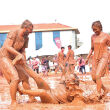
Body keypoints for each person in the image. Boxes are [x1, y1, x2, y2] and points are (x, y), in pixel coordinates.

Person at [0, 20, 50, 106]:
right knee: (15, 78)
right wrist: (18, 54)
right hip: (4, 57)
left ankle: (31, 97)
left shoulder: (26, 38)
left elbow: (23, 51)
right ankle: (13, 101)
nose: (31, 32)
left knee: (25, 77)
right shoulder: (14, 33)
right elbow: (7, 46)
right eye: (30, 30)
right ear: (25, 28)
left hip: (15, 58)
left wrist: (24, 60)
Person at [85, 21, 110, 98]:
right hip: (95, 58)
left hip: (104, 56)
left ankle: (98, 94)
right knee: (94, 78)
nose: (94, 31)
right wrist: (87, 57)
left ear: (100, 27)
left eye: (96, 29)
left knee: (98, 75)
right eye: (93, 30)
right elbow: (92, 48)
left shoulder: (106, 36)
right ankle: (105, 89)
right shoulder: (93, 36)